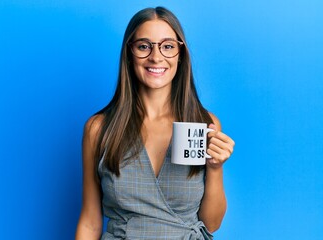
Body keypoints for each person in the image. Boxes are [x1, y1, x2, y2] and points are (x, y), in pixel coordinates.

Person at [75, 6, 235, 240]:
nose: (156, 57)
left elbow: (211, 223)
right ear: (129, 53)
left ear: (181, 54)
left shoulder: (203, 124)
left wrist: (215, 167)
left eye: (168, 46)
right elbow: (89, 222)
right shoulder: (99, 129)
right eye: (144, 46)